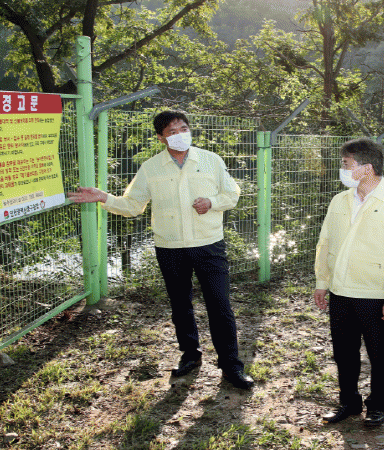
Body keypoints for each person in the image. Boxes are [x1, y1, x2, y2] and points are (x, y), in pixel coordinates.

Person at [68, 110, 254, 389]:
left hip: (209, 244)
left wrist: (212, 202)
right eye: (172, 132)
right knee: (180, 305)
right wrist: (104, 198)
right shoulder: (151, 167)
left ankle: (231, 366)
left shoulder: (211, 160)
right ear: (161, 138)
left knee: (220, 305)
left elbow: (232, 194)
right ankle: (190, 354)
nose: (180, 135)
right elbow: (133, 205)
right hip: (170, 247)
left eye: (183, 129)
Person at [313, 138, 384, 426]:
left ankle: (378, 406)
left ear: (367, 168)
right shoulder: (340, 201)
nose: (342, 169)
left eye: (346, 164)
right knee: (343, 354)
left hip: (374, 294)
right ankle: (348, 402)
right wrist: (322, 281)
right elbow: (325, 242)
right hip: (340, 291)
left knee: (379, 355)